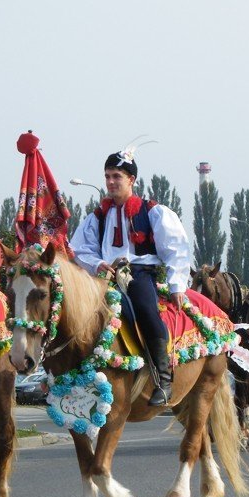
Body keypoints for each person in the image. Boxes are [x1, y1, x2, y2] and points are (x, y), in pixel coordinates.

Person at [70, 145, 192, 406]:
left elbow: (176, 248)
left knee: (146, 310)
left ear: (131, 180)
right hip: (105, 276)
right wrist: (97, 263)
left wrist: (176, 285)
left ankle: (163, 377)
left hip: (138, 273)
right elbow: (79, 249)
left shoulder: (152, 212)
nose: (111, 182)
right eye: (108, 176)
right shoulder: (97, 216)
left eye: (117, 177)